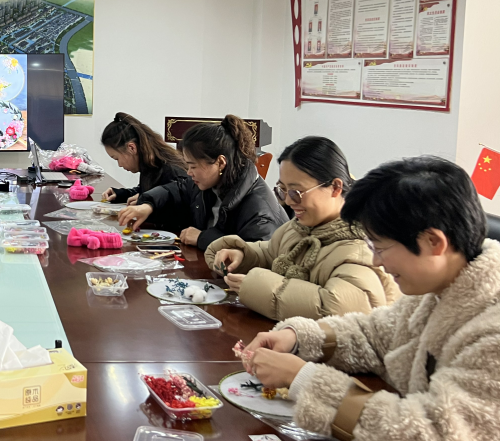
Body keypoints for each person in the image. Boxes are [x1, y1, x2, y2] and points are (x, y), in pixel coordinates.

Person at [241, 156, 500, 441]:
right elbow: (374, 335)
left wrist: (304, 380)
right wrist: (298, 338)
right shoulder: (438, 288)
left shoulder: (492, 330)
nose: (376, 261)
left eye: (381, 247)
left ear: (434, 242)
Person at [205, 136, 399, 320]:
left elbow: (338, 309)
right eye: (283, 190)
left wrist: (256, 287)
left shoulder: (362, 247)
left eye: (296, 192)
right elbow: (272, 252)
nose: (289, 201)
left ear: (335, 187)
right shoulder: (299, 228)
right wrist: (242, 255)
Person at [118, 114, 287, 250]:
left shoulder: (259, 210)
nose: (188, 172)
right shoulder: (211, 182)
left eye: (193, 166)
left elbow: (254, 255)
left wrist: (202, 238)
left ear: (220, 162)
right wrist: (148, 206)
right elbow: (179, 189)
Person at [99, 113, 192, 230]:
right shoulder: (150, 165)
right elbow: (147, 191)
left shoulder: (171, 171)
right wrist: (121, 194)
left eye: (116, 158)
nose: (119, 165)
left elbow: (177, 209)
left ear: (131, 148)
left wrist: (146, 204)